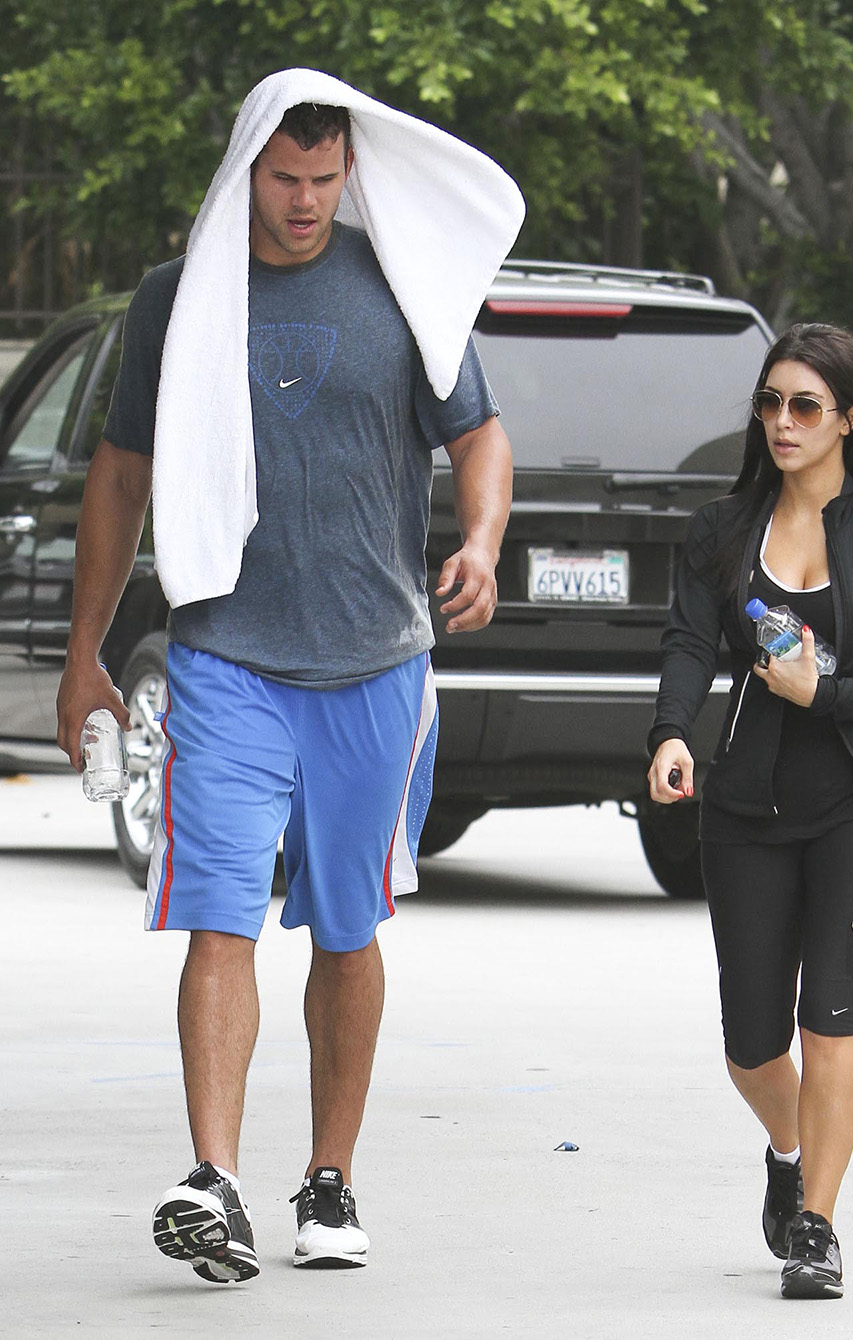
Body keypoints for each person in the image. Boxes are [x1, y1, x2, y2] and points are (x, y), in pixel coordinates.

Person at [55, 94, 515, 1282]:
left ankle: (327, 1177)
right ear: (244, 171)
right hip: (224, 657)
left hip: (375, 662)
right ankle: (212, 1175)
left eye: (323, 178)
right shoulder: (179, 294)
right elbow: (120, 476)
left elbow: (480, 435)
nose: (304, 202)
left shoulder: (401, 282)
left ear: (348, 171)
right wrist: (85, 652)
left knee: (349, 929)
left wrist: (480, 537)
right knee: (218, 913)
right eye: (282, 179)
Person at [647, 323, 853, 1299]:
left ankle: (816, 1222)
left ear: (848, 420)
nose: (783, 422)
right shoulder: (725, 529)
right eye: (771, 402)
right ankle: (788, 1146)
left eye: (805, 406)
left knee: (830, 1017)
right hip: (745, 801)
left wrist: (824, 696)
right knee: (751, 1040)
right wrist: (669, 731)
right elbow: (691, 638)